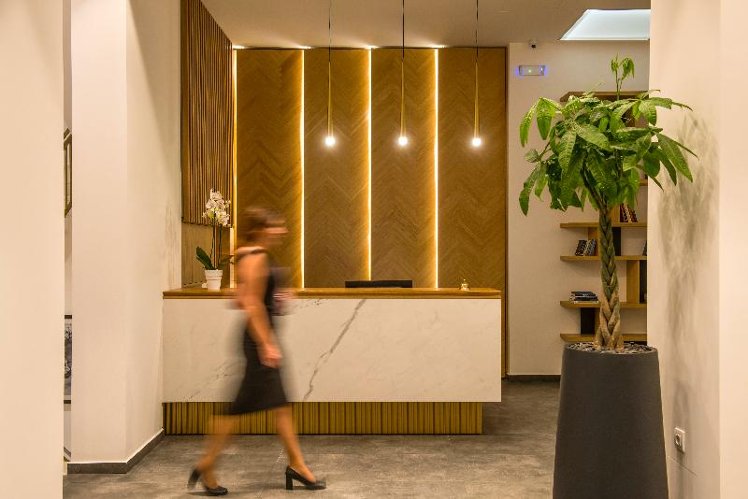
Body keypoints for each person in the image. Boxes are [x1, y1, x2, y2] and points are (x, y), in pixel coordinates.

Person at [188, 207, 325, 495]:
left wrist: (276, 296)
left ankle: (293, 464)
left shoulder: (247, 254)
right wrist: (266, 344)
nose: (282, 230)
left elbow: (241, 298)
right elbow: (250, 304)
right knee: (250, 407)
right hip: (259, 341)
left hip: (260, 338)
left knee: (274, 405)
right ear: (262, 229)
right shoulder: (256, 256)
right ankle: (209, 464)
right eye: (277, 225)